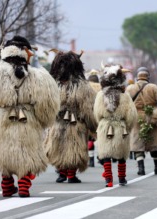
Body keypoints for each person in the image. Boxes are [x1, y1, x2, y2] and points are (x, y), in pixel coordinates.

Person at [0, 36, 60, 197]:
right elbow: (46, 104)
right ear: (26, 52)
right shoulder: (37, 75)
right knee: (26, 153)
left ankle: (7, 185)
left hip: (1, 119)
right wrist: (41, 121)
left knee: (4, 154)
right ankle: (24, 186)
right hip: (27, 120)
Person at [44, 50, 97, 183]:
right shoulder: (83, 86)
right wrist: (93, 126)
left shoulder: (52, 85)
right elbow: (88, 109)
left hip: (56, 123)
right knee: (74, 148)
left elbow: (46, 105)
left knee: (58, 147)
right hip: (76, 123)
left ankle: (62, 173)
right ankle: (71, 175)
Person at [94, 64, 137, 187]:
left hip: (105, 126)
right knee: (121, 154)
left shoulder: (100, 96)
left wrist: (102, 123)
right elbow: (131, 116)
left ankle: (109, 179)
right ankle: (122, 178)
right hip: (121, 127)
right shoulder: (125, 96)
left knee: (106, 154)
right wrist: (127, 127)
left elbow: (97, 114)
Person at [87, 69, 102, 167]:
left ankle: (91, 159)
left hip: (88, 114)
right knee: (100, 137)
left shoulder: (86, 87)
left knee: (89, 137)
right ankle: (100, 156)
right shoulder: (101, 87)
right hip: (99, 114)